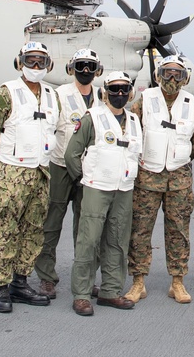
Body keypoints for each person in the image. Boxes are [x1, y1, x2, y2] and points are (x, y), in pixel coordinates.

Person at [0, 41, 59, 313]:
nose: (35, 66)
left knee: (33, 230)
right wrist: (3, 164)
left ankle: (20, 282)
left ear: (49, 65)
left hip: (40, 173)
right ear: (19, 62)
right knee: (4, 230)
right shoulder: (6, 93)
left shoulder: (52, 95)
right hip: (11, 173)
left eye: (41, 61)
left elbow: (55, 131)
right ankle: (1, 286)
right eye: (30, 60)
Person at [124, 54, 194, 305]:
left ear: (185, 78)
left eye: (177, 74)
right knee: (140, 230)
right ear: (158, 76)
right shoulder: (143, 101)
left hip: (179, 180)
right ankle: (138, 281)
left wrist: (179, 158)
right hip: (147, 178)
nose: (172, 78)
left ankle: (177, 282)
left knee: (179, 231)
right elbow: (131, 131)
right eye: (167, 73)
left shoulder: (192, 105)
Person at [65, 71, 142, 316]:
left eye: (123, 90)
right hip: (97, 188)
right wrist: (84, 180)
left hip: (123, 189)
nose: (119, 94)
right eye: (114, 90)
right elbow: (71, 154)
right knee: (88, 241)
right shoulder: (92, 118)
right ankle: (82, 294)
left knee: (118, 241)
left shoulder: (134, 121)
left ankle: (110, 291)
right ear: (104, 92)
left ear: (130, 93)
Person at [33, 48, 103, 298]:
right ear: (71, 68)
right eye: (81, 65)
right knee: (51, 224)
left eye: (91, 66)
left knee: (86, 226)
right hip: (61, 166)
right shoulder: (59, 95)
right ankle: (46, 277)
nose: (86, 71)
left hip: (90, 169)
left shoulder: (103, 97)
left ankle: (84, 277)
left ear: (98, 71)